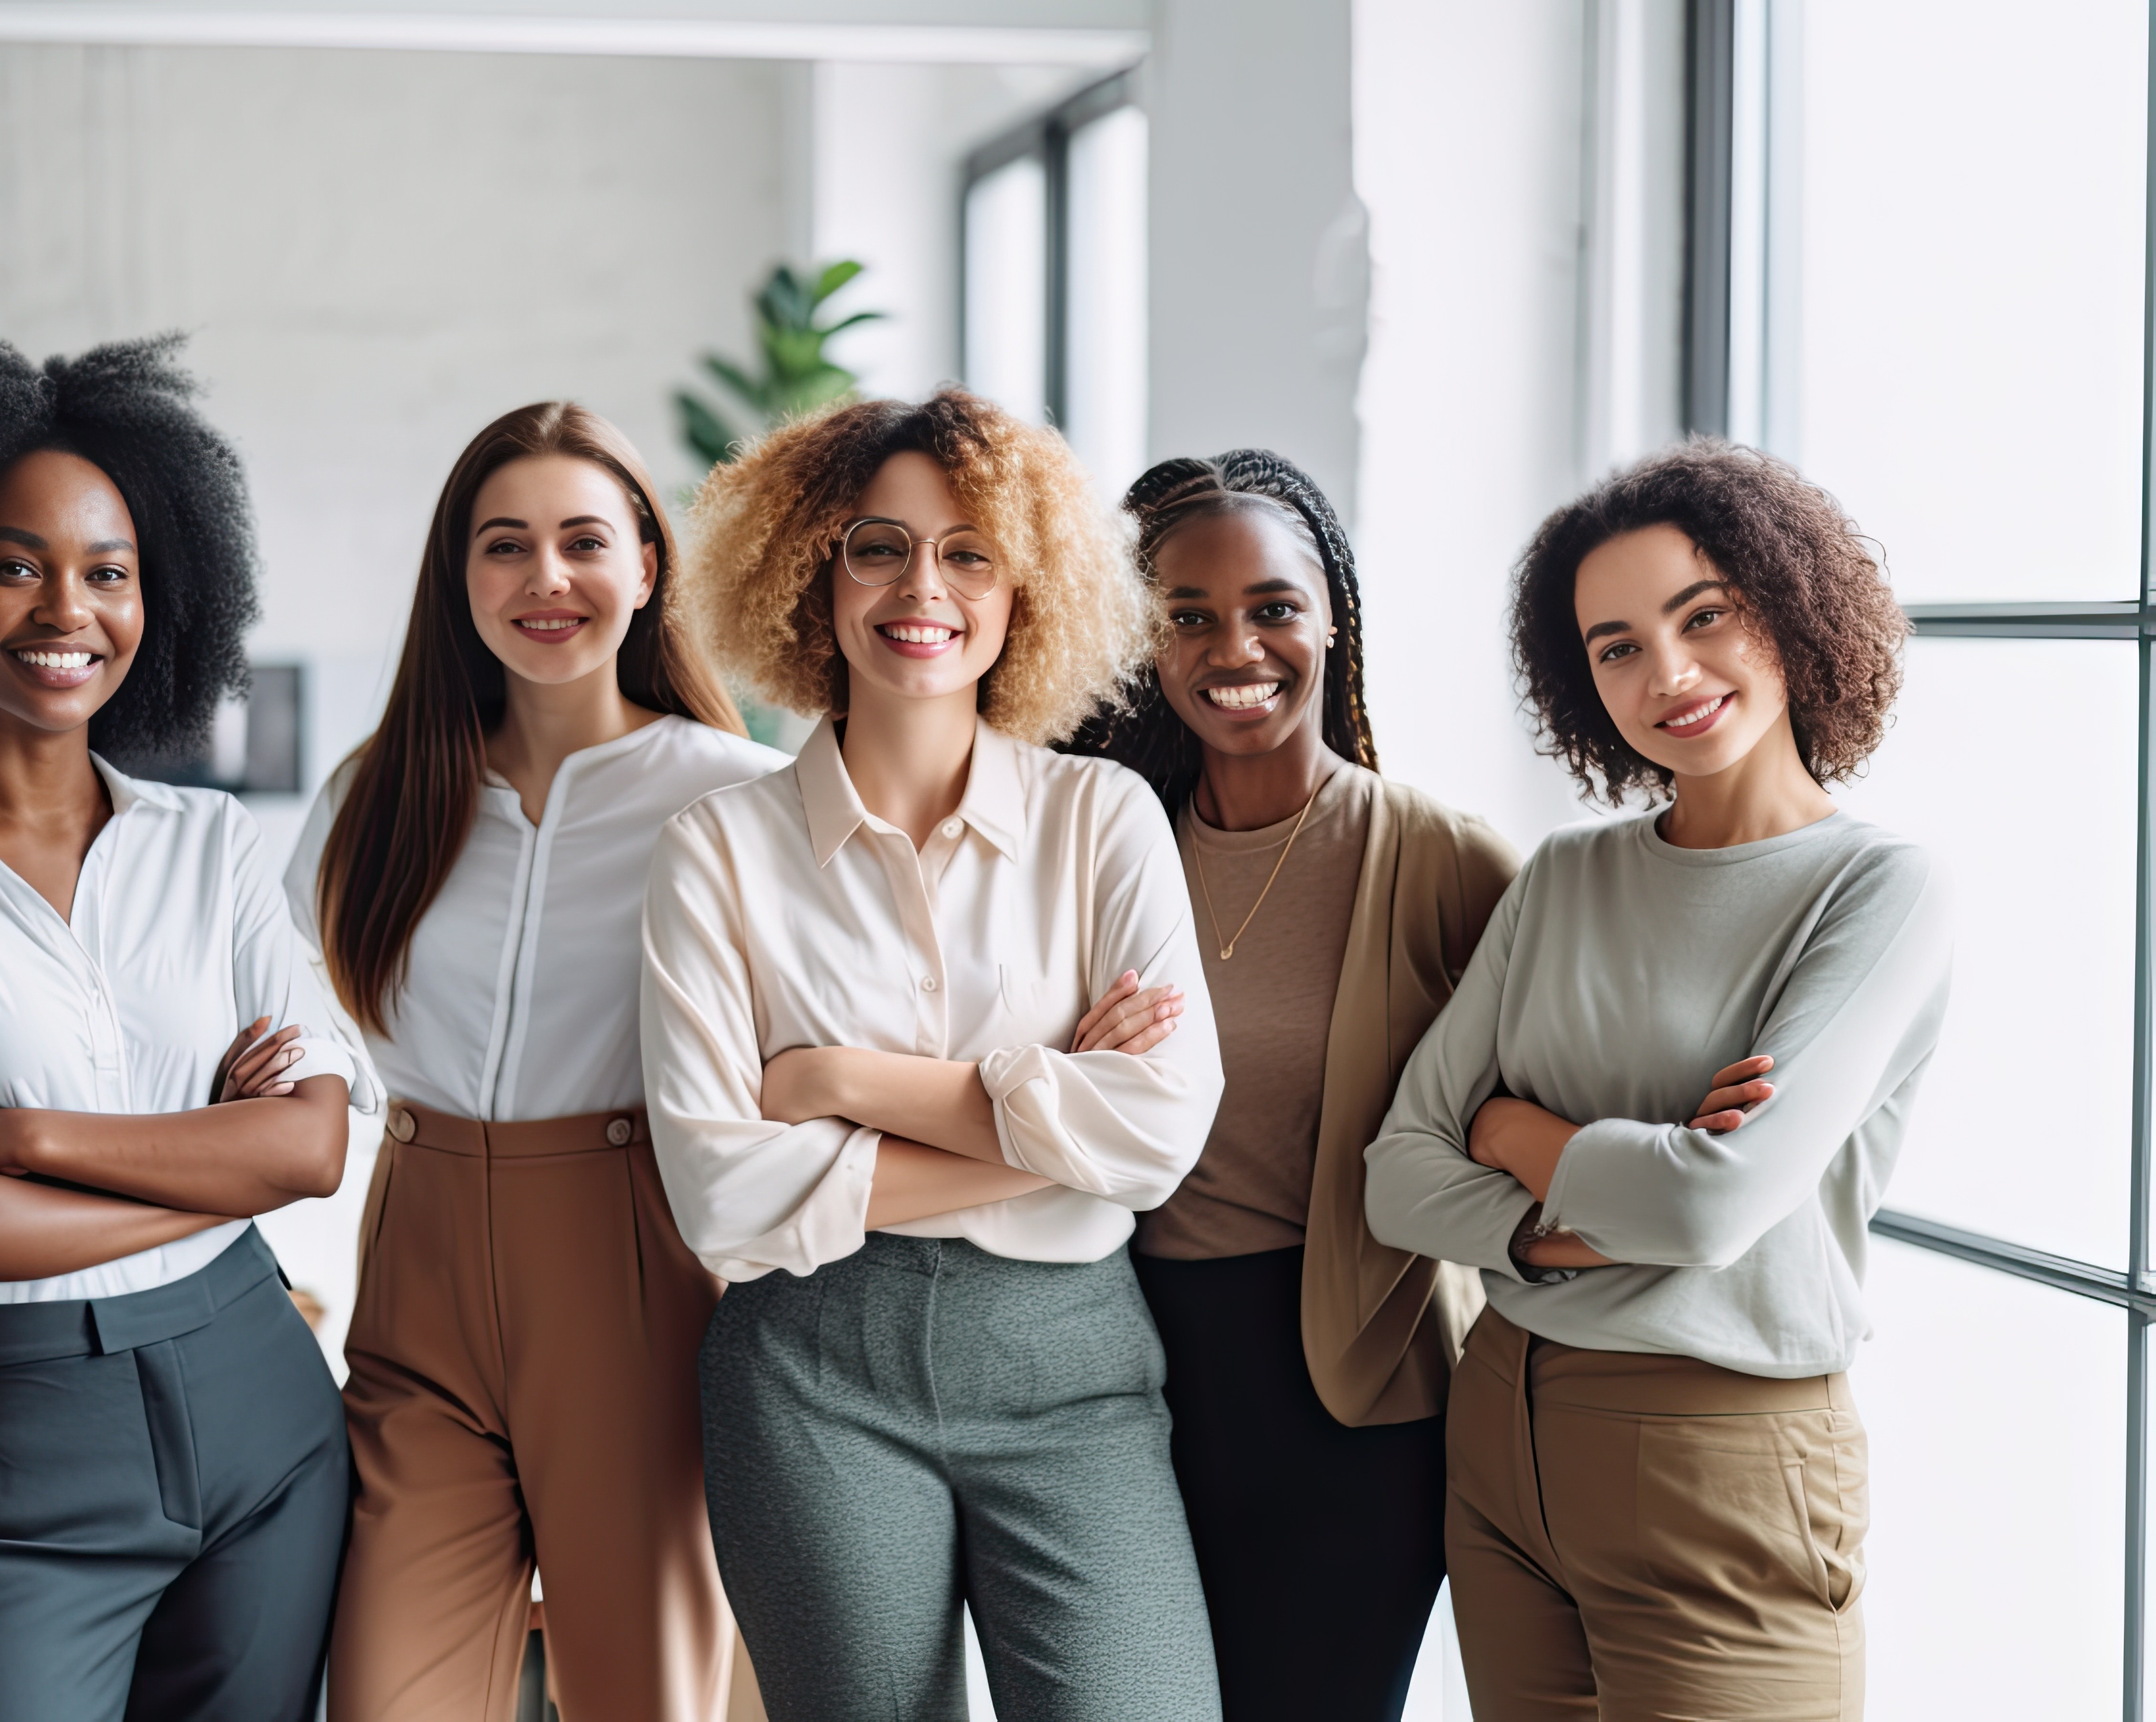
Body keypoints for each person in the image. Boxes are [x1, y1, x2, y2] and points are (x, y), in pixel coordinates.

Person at [0, 335, 369, 1722]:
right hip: (15, 1438)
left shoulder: (211, 845)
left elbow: (311, 1149)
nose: (69, 610)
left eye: (109, 571)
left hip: (266, 1414)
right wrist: (206, 1165)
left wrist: (22, 1139)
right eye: (15, 563)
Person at [643, 390, 1227, 1720]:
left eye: (971, 552)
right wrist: (1053, 1129)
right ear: (810, 573)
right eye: (878, 546)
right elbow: (720, 1197)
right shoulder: (719, 850)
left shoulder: (1103, 820)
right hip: (807, 1368)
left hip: (1072, 1371)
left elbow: (1159, 1138)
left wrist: (839, 1088)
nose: (925, 587)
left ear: (1026, 591)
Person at [1363, 442, 1950, 1721]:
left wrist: (1513, 1127)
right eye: (1617, 646)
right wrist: (1570, 1218)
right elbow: (1400, 1175)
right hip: (1501, 1428)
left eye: (1705, 616)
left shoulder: (1879, 891)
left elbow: (1707, 1211)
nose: (1668, 675)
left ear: (1789, 610)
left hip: (1720, 1453)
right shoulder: (1565, 877)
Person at [288, 402, 778, 1722]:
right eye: (505, 545)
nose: (545, 579)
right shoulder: (375, 793)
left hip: (636, 1266)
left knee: (645, 1701)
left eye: (582, 541)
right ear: (461, 580)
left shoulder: (734, 802)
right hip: (417, 1265)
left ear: (646, 568)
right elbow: (287, 1035)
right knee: (386, 1699)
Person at [1061, 451, 1517, 1720]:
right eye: (1188, 615)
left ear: (1333, 618)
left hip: (1353, 1410)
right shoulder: (1101, 845)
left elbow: (1561, 1081)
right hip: (1119, 1392)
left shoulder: (1439, 860)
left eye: (1272, 605)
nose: (1235, 645)